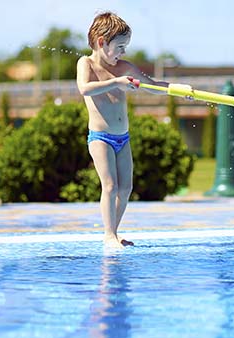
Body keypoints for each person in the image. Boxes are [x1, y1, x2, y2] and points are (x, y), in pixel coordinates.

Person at [77, 11, 169, 248]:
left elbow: (152, 86)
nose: (123, 52)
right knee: (110, 186)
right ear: (101, 42)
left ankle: (113, 233)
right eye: (119, 46)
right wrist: (116, 82)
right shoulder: (85, 64)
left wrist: (179, 90)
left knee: (126, 188)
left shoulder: (124, 67)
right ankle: (109, 235)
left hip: (123, 138)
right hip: (101, 138)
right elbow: (85, 88)